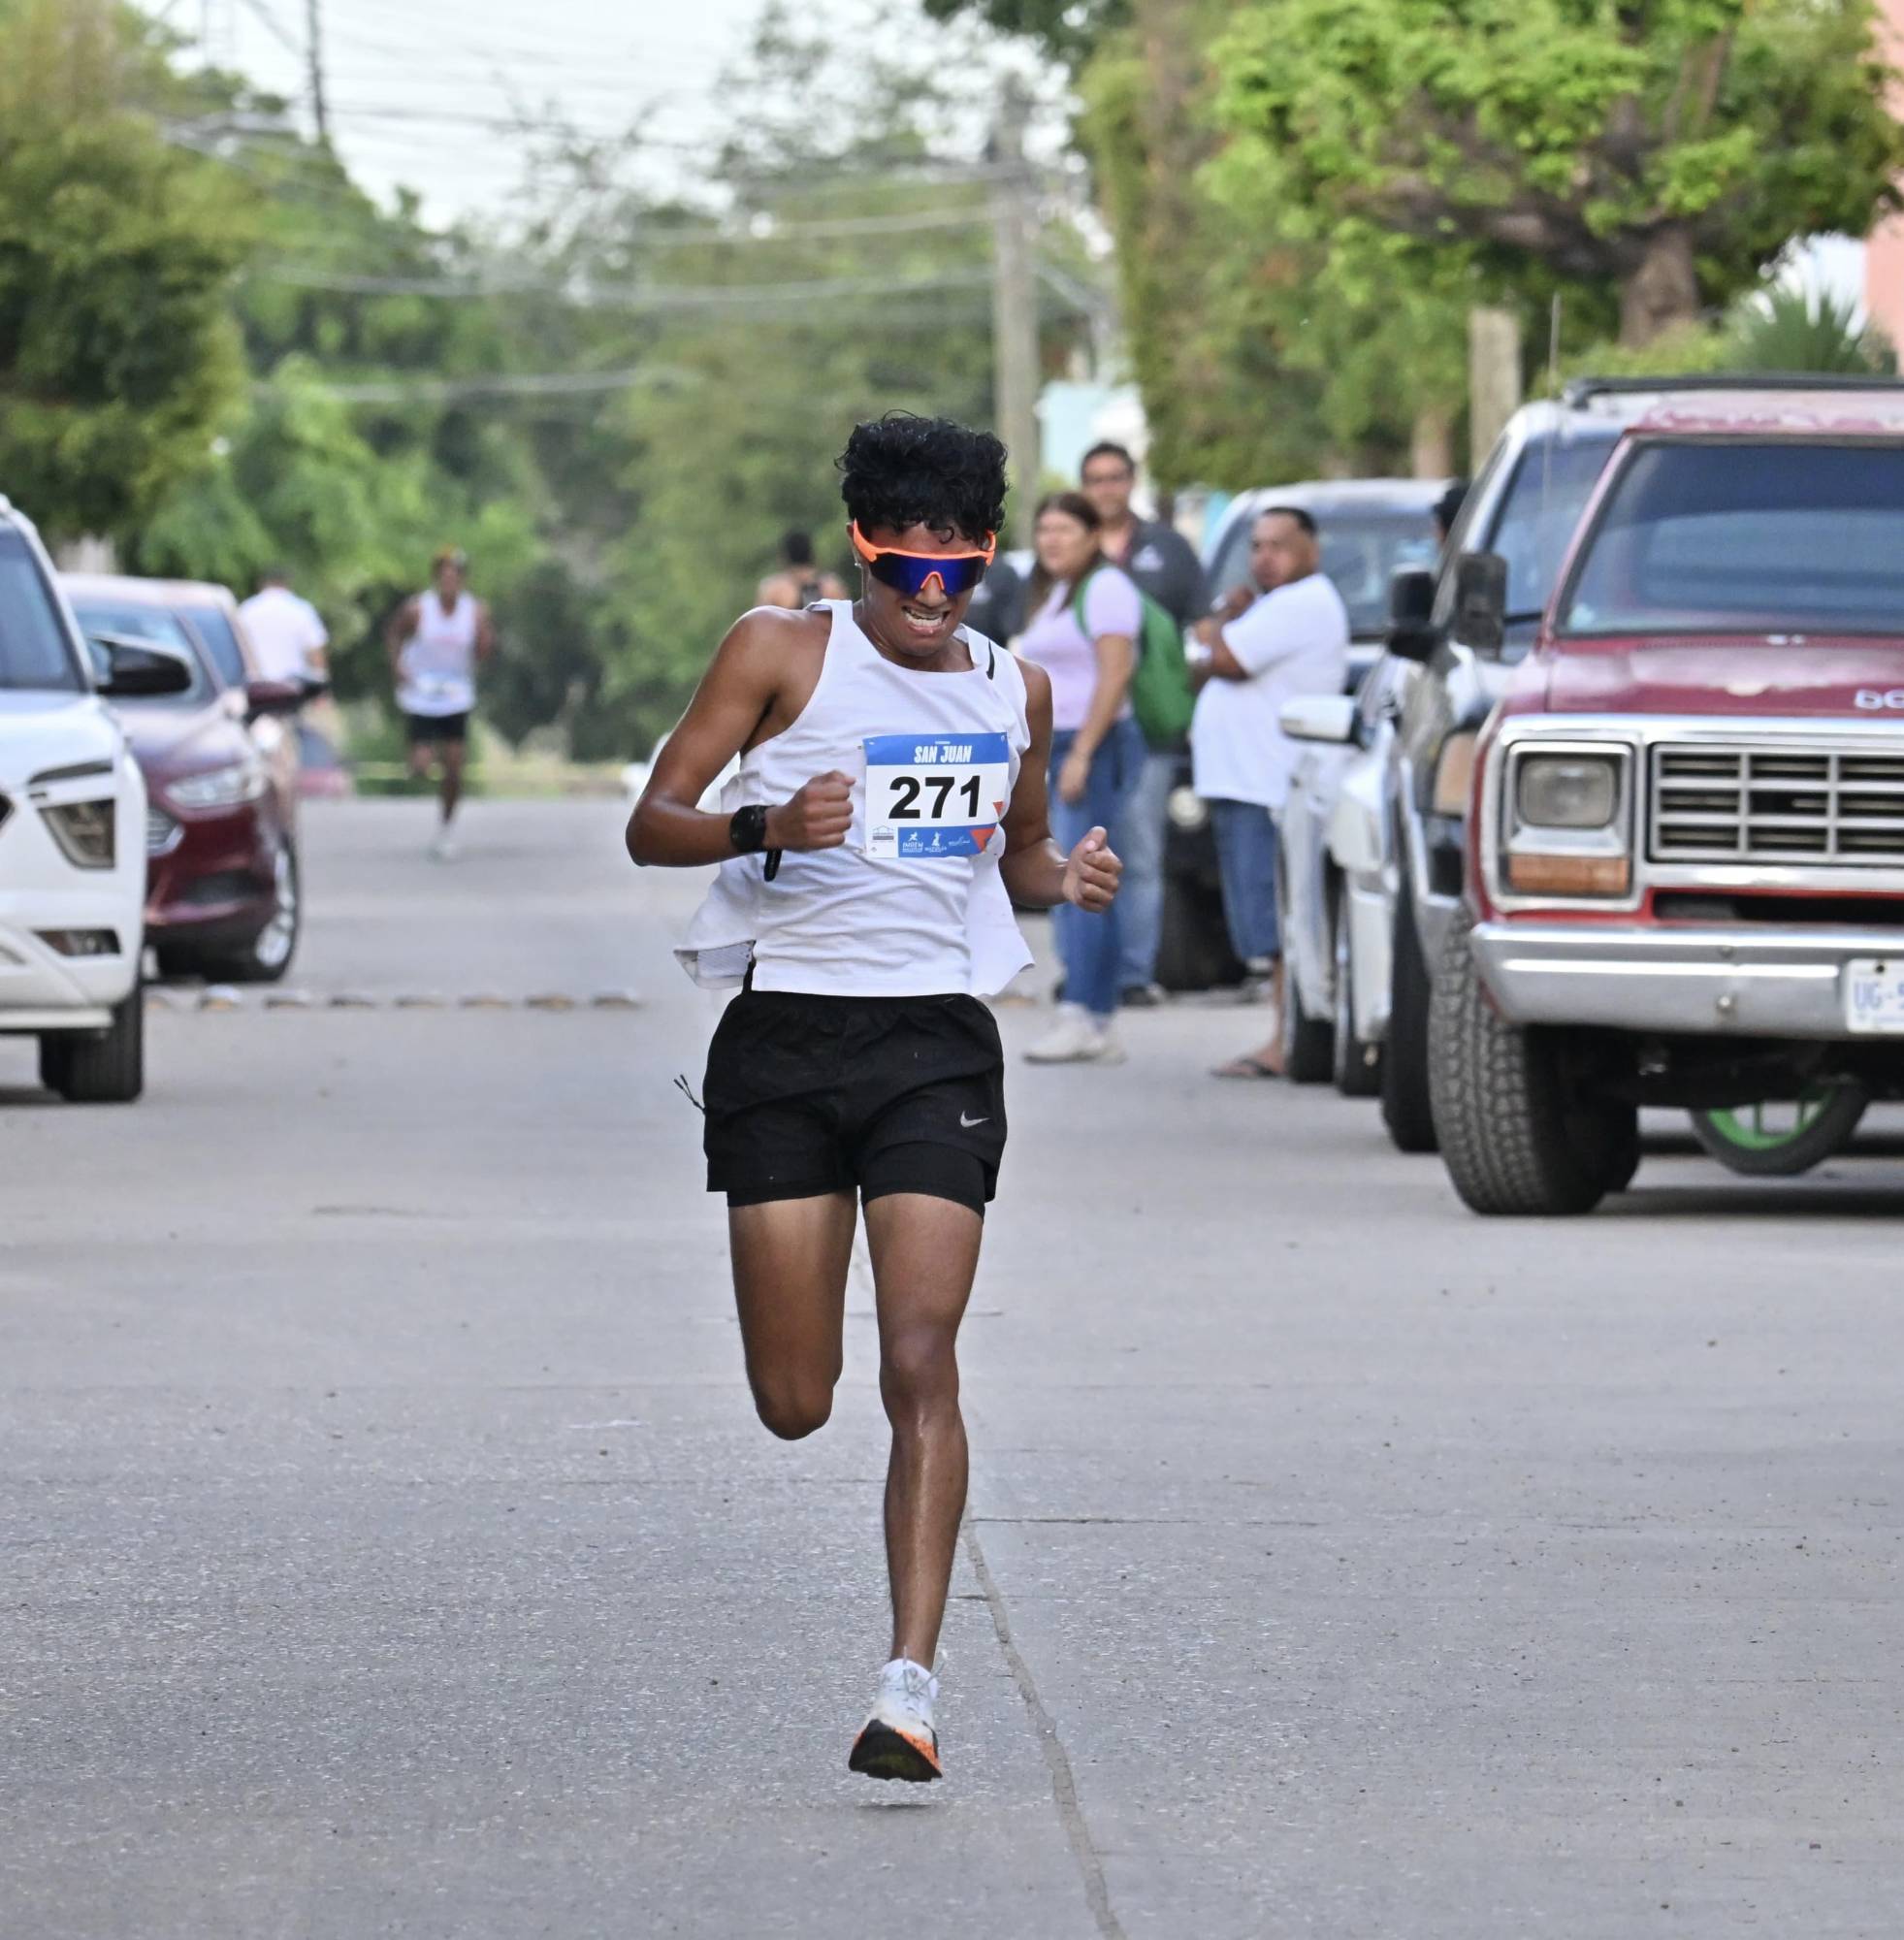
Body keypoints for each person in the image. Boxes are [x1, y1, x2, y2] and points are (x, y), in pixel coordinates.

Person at [627, 413, 1120, 1785]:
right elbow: (650, 821)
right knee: (796, 1399)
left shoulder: (1007, 688)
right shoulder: (778, 652)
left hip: (932, 1047)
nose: (928, 600)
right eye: (904, 573)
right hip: (784, 1038)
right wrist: (761, 827)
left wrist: (1060, 884)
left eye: (954, 574)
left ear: (984, 562)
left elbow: (1010, 861)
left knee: (922, 1356)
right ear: (860, 553)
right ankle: (878, 1597)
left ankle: (909, 1687)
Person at [1185, 505, 1349, 1078]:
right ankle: (1285, 1035)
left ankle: (1287, 1041)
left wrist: (1213, 629)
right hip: (1247, 781)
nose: (1264, 557)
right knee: (1267, 918)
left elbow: (1221, 658)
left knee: (1277, 919)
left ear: (1311, 549)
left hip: (1266, 784)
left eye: (1279, 545)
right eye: (1257, 546)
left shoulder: (1303, 601)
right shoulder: (1280, 607)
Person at [1014, 490, 1144, 1066]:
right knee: (1075, 878)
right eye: (1045, 531)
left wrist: (1083, 754)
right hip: (1059, 745)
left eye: (1065, 529)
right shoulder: (1060, 591)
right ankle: (1091, 1013)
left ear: (1093, 535)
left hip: (1089, 744)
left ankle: (1085, 1014)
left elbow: (1115, 675)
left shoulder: (1107, 588)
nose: (1052, 541)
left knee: (1080, 879)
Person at [1078, 440, 1209, 1008]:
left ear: (1131, 482)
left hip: (1148, 728)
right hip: (1079, 728)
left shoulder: (1169, 550)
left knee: (1141, 853)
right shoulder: (1066, 549)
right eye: (1096, 479)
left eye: (1116, 477)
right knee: (1079, 849)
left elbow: (1201, 632)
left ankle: (1134, 972)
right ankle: (1087, 972)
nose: (1107, 488)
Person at [386, 547, 495, 861]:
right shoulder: (418, 608)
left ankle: (446, 828)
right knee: (421, 766)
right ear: (437, 579)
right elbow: (393, 635)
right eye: (444, 576)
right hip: (420, 693)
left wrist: (485, 637)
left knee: (455, 767)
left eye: (456, 576)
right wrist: (398, 667)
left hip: (455, 694)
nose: (450, 582)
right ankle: (419, 756)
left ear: (462, 580)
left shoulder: (474, 611)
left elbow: (484, 650)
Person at [238, 568, 329, 690]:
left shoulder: (246, 609)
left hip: (254, 686)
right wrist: (321, 690)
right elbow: (315, 651)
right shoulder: (302, 609)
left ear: (262, 584)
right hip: (292, 687)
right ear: (286, 584)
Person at [758, 530, 849, 610]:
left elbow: (759, 624)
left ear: (785, 556)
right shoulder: (832, 586)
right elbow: (848, 622)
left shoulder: (774, 589)